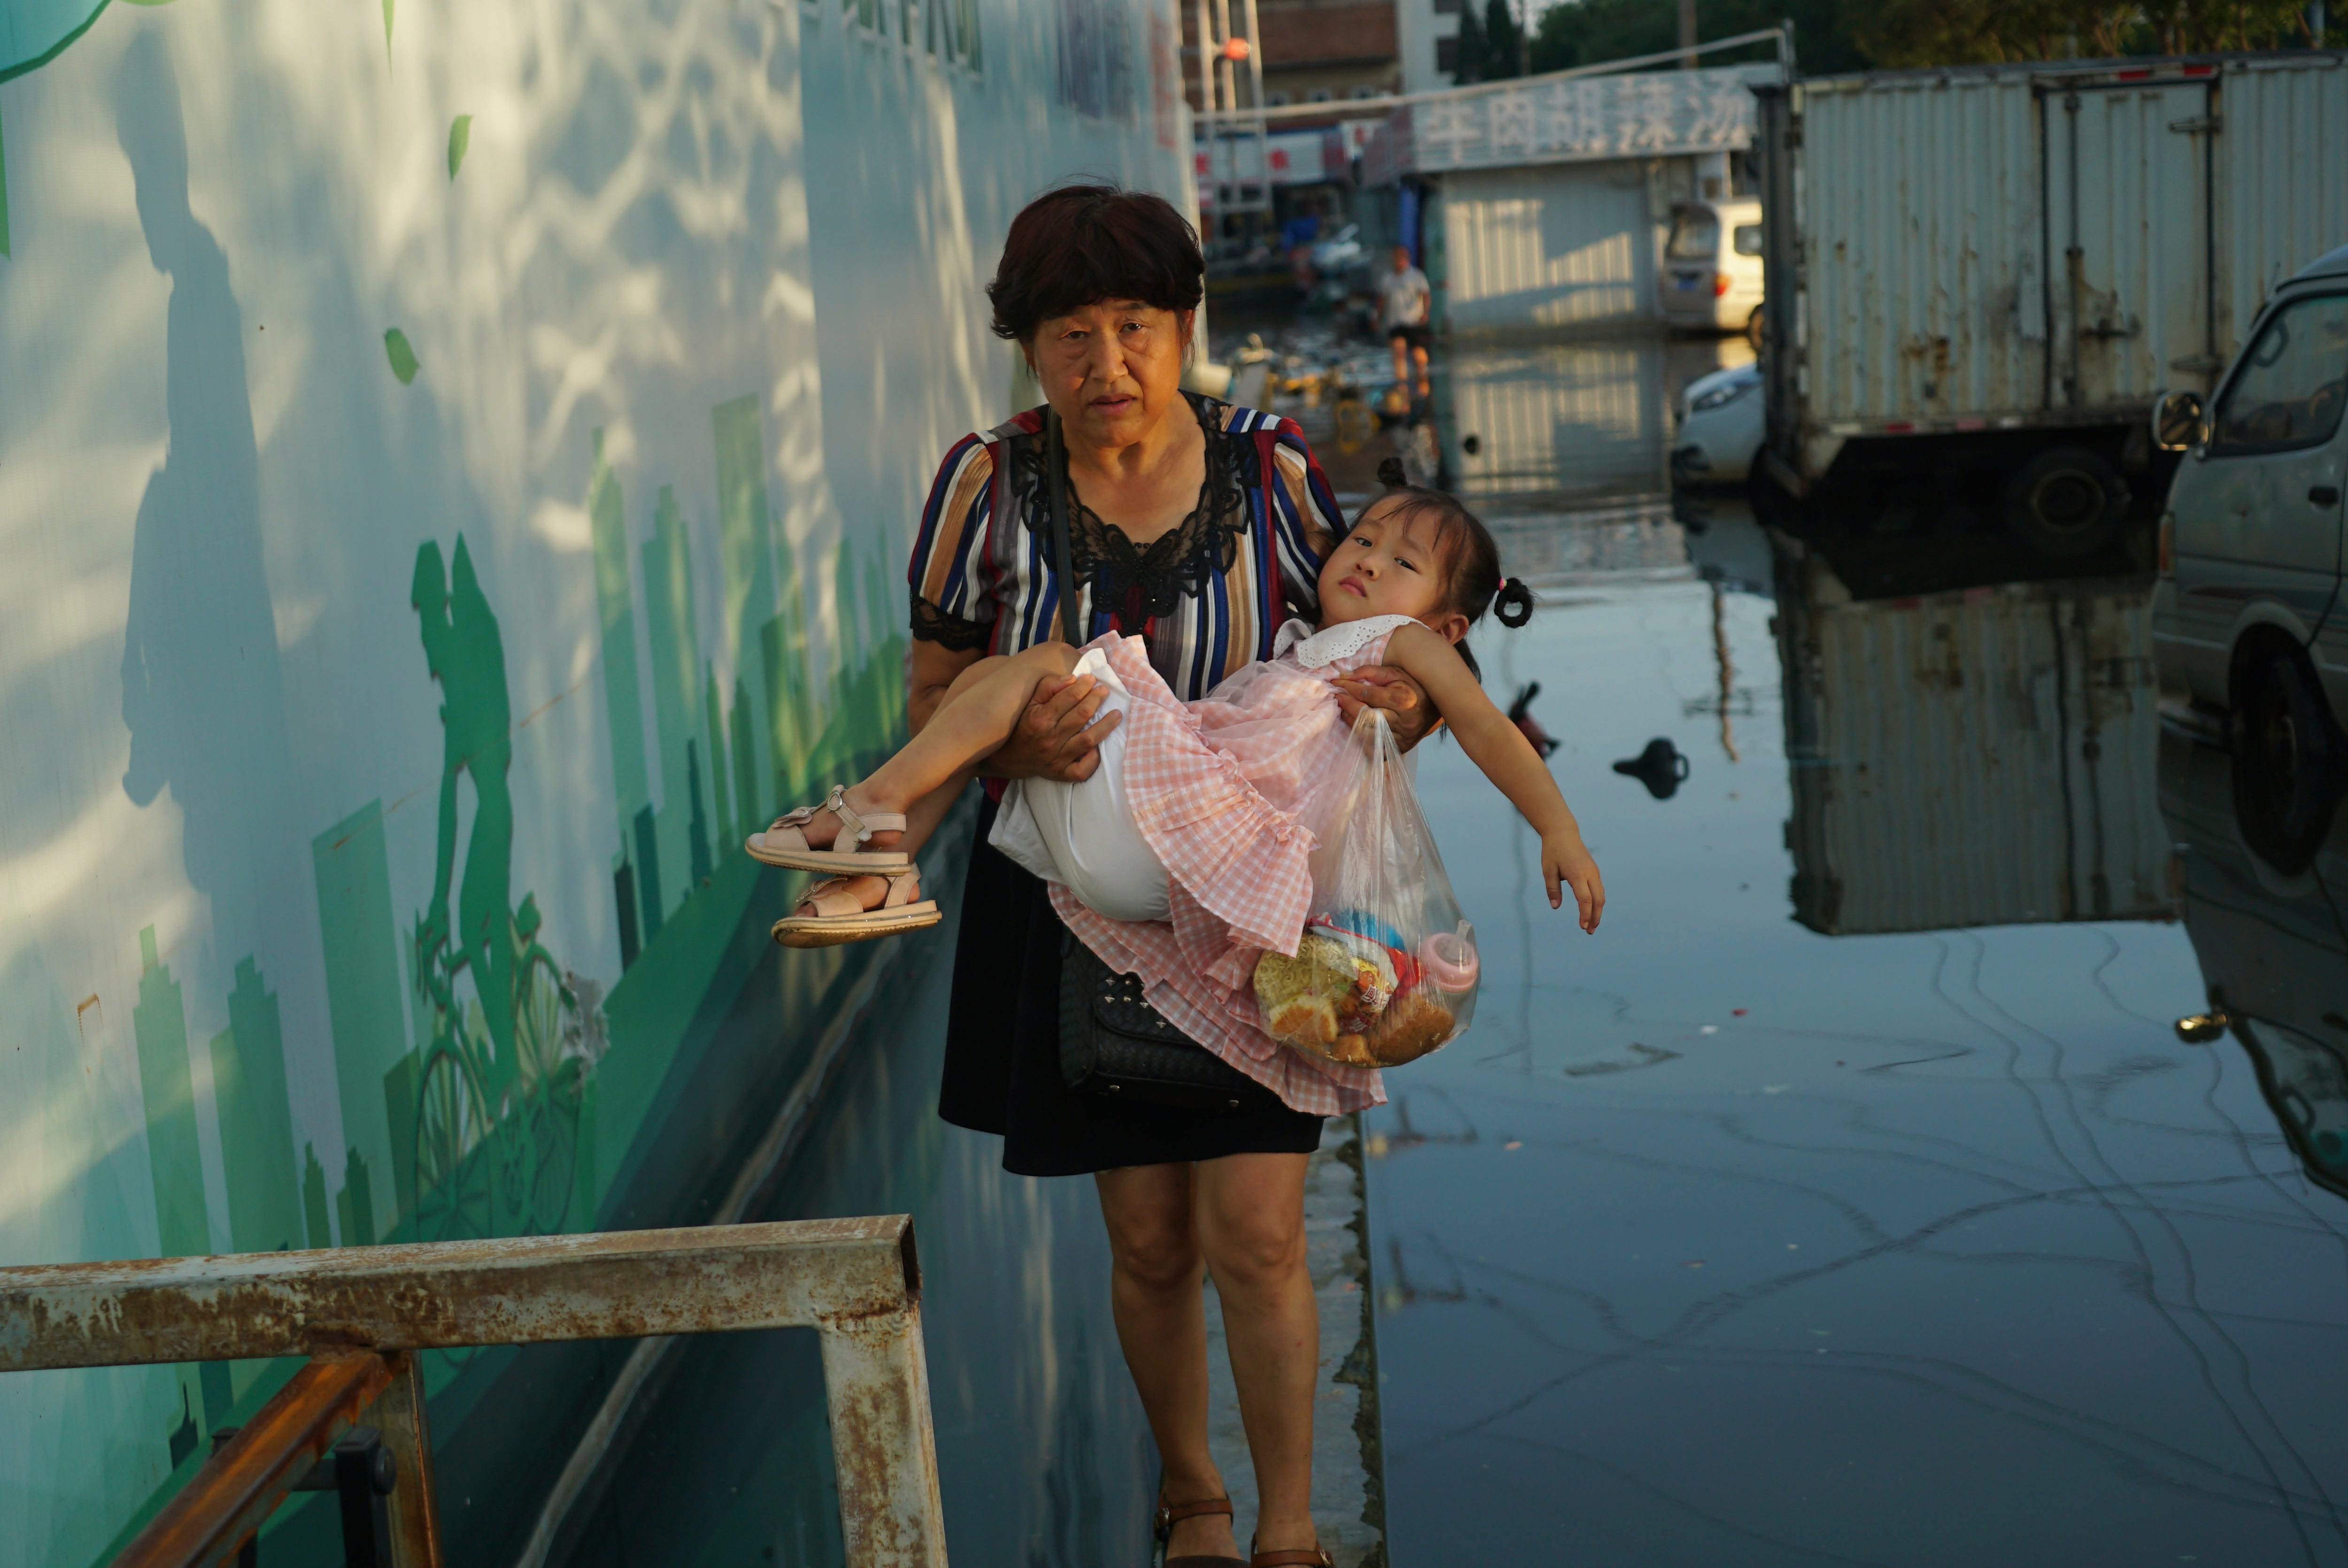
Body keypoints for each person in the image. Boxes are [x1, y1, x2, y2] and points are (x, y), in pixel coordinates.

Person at [798, 182, 1433, 1568]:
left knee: (1260, 1230)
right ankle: (1191, 1495)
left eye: (1135, 326)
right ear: (1026, 348)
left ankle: (1282, 1527)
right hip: (1079, 914)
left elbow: (1375, 651)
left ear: (1184, 325)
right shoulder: (988, 484)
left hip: (1263, 905)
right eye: (1069, 335)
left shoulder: (1272, 474)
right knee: (1148, 1239)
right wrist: (1008, 729)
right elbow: (932, 692)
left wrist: (1407, 709)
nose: (1108, 365)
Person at [751, 471, 1605, 1105]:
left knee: (1047, 664)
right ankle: (881, 862)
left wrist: (1556, 828)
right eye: (1365, 541)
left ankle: (870, 818)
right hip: (1165, 855)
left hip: (1188, 847)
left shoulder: (1403, 643)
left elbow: (1489, 726)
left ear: (1448, 627)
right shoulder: (1304, 645)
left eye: (1404, 560)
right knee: (1018, 675)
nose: (1371, 564)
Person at [1378, 244, 1432, 393]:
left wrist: (1425, 313)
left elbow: (1425, 295)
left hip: (1414, 321)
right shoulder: (1388, 278)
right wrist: (1378, 317)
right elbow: (1382, 300)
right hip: (1395, 321)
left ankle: (1423, 384)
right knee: (1399, 353)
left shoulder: (1416, 276)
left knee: (1418, 354)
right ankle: (1402, 388)